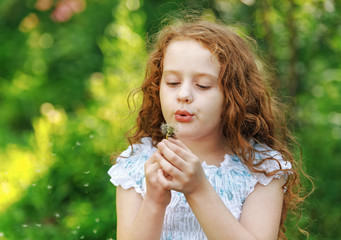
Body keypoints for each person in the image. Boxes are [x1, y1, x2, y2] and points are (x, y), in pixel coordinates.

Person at [108, 19, 306, 240]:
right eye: (173, 82)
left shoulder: (262, 169)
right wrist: (154, 201)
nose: (183, 94)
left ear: (233, 96)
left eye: (202, 85)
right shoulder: (137, 165)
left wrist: (198, 189)